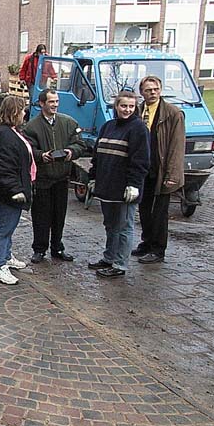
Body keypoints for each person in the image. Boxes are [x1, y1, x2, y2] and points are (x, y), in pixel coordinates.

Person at [87, 91, 150, 278]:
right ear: (116, 106)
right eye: (124, 106)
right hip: (107, 188)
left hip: (125, 189)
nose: (127, 110)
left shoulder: (139, 129)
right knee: (110, 225)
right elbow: (97, 156)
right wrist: (93, 177)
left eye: (131, 106)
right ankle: (109, 257)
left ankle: (120, 264)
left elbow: (141, 161)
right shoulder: (108, 126)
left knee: (124, 227)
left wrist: (134, 185)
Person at [23, 89, 86, 263]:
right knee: (41, 215)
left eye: (57, 101)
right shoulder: (32, 126)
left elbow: (80, 144)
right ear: (42, 104)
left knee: (59, 215)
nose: (55, 105)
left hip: (61, 177)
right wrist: (41, 156)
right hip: (43, 178)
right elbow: (28, 150)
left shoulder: (68, 122)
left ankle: (57, 247)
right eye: (51, 102)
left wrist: (71, 152)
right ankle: (39, 249)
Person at [132, 75, 185, 264]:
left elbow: (177, 146)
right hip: (143, 169)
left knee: (160, 212)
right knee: (144, 208)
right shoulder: (137, 110)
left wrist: (172, 174)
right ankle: (146, 242)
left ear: (160, 90)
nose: (152, 93)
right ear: (142, 92)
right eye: (148, 90)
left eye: (155, 89)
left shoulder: (173, 114)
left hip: (161, 168)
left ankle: (158, 249)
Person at [0, 96, 35, 285]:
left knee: (8, 226)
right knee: (4, 227)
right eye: (22, 110)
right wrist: (15, 189)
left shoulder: (9, 131)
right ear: (14, 112)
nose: (24, 113)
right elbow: (3, 166)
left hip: (12, 188)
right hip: (10, 191)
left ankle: (5, 256)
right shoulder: (6, 134)